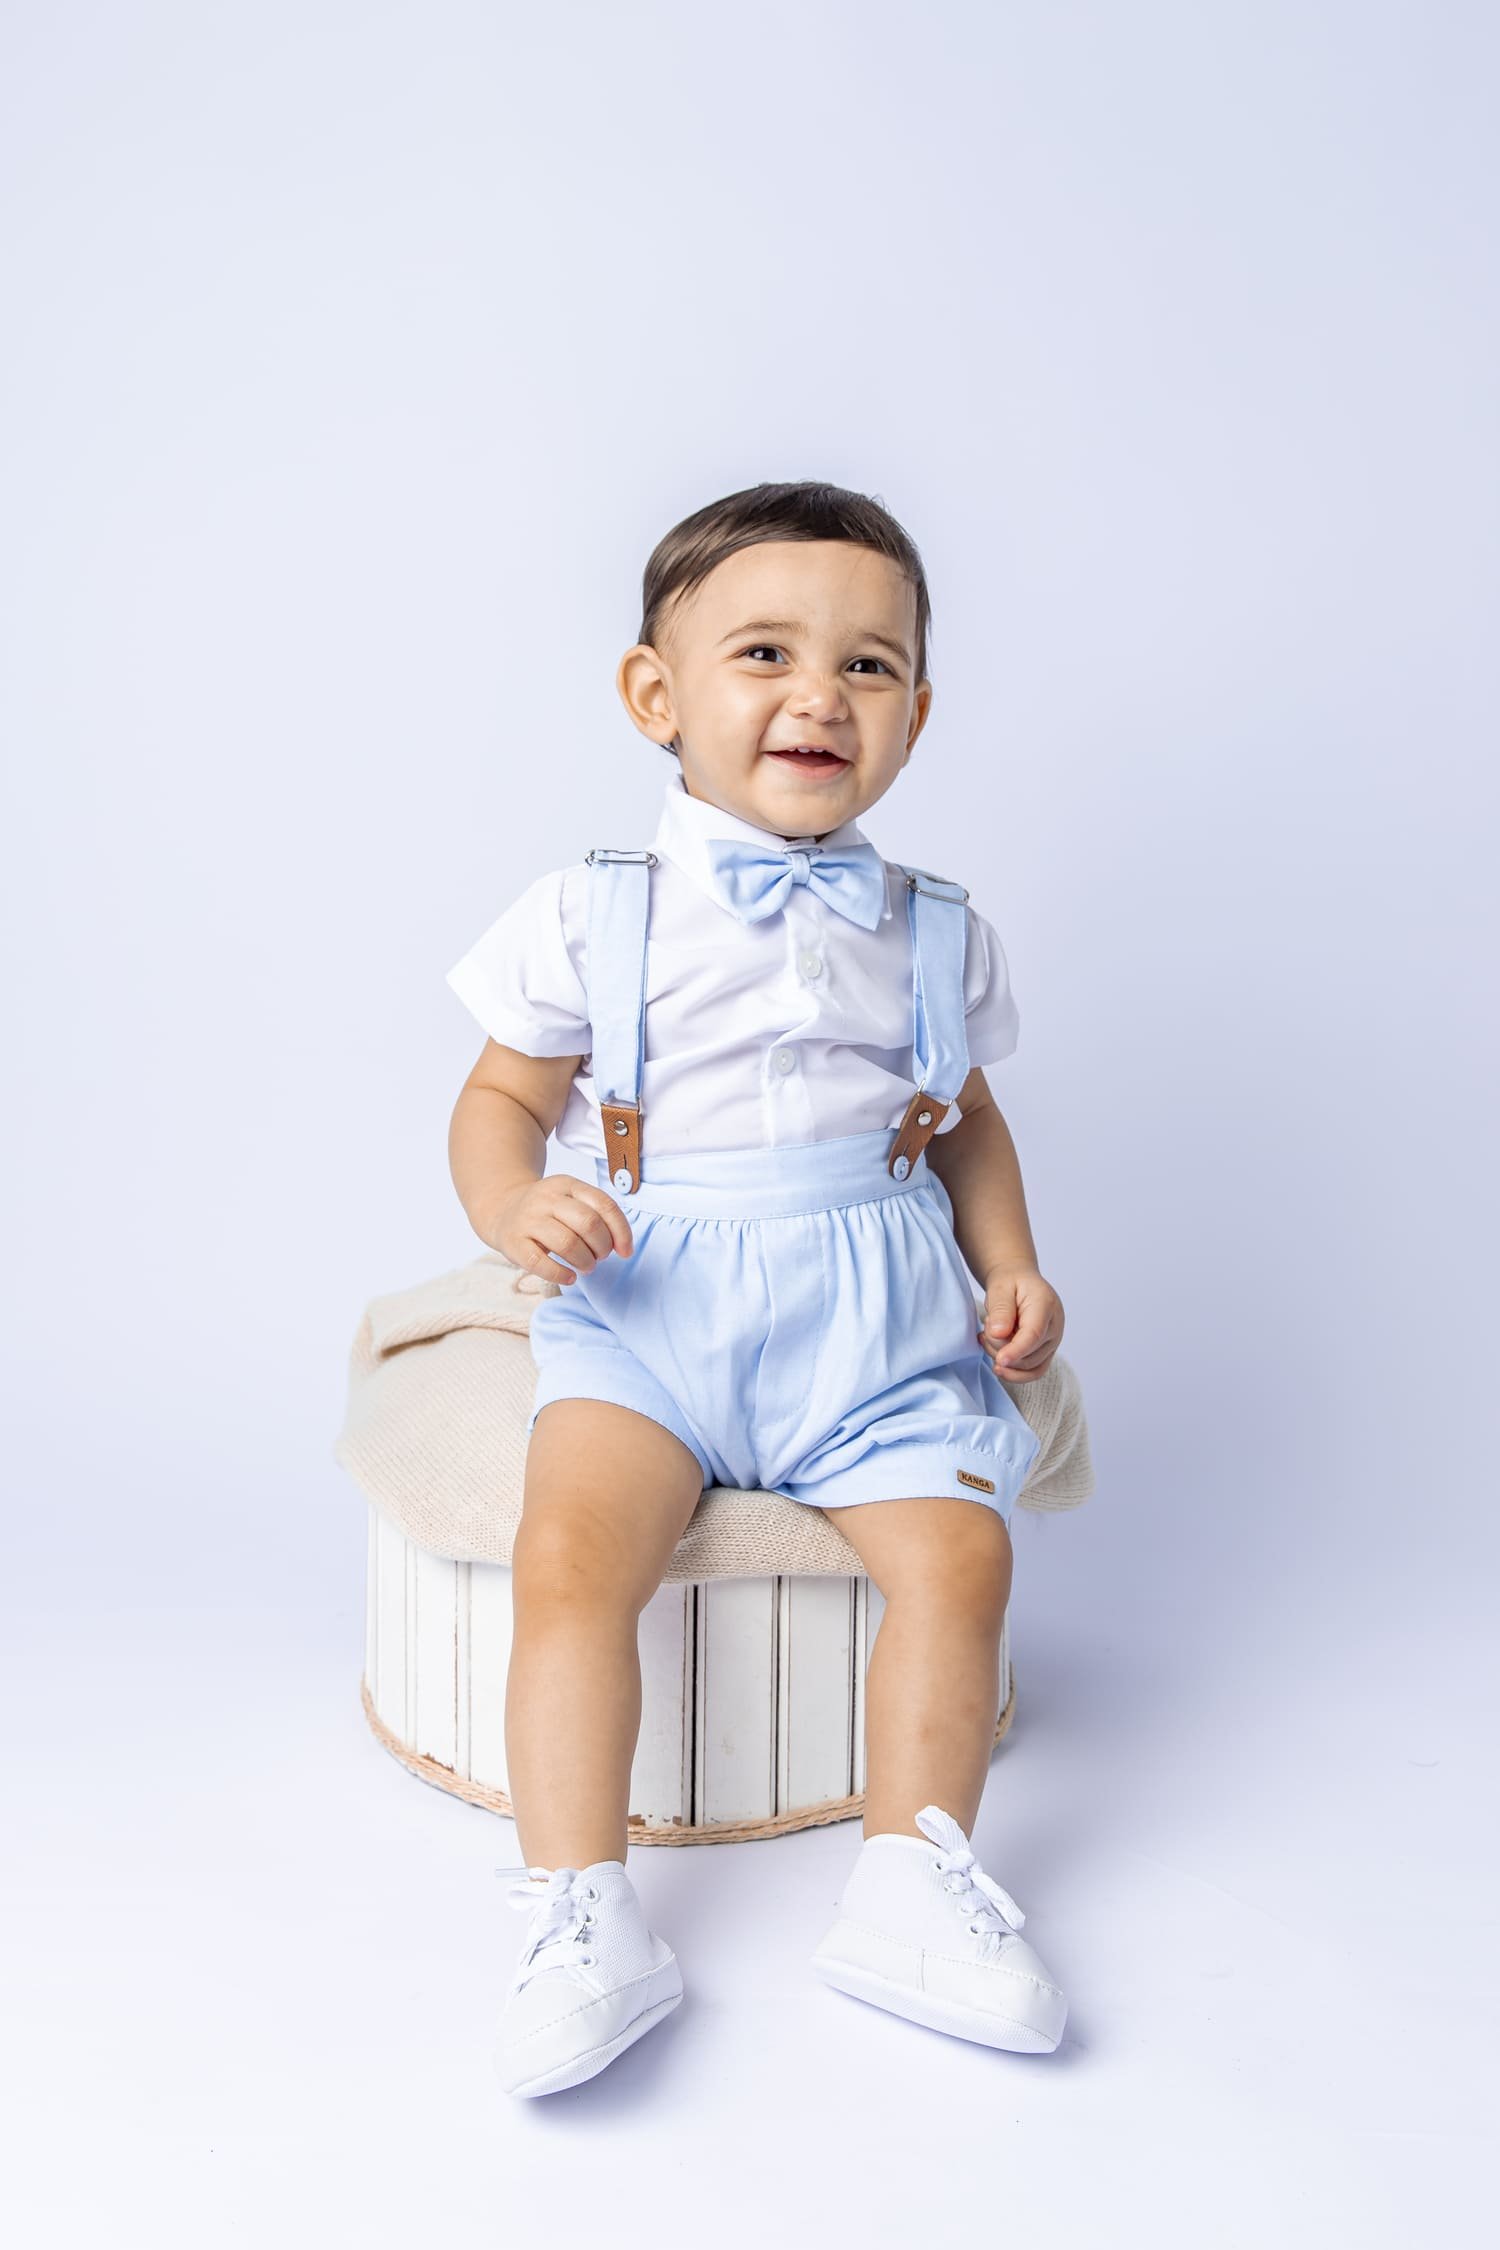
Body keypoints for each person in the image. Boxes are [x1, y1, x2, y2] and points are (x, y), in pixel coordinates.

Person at [446, 480, 1071, 2098]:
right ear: (656, 694)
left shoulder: (936, 929)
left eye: (870, 665)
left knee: (963, 1556)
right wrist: (515, 1199)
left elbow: (966, 1120)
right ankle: (580, 1906)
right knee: (571, 1554)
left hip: (875, 1322)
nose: (821, 695)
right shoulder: (593, 911)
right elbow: (500, 1096)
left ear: (917, 711)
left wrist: (1008, 1260)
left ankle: (911, 1876)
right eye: (767, 653)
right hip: (652, 1307)